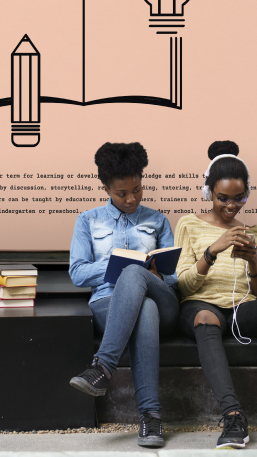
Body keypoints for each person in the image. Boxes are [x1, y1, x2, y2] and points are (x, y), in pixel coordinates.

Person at [174, 140, 257, 449]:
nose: (231, 206)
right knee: (205, 316)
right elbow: (183, 286)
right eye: (222, 198)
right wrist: (212, 251)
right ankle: (232, 415)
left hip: (242, 309)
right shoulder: (188, 225)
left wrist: (254, 262)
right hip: (201, 307)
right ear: (207, 193)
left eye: (239, 198)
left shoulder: (254, 233)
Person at [68, 142, 178, 449]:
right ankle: (151, 418)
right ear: (105, 187)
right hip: (109, 303)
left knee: (137, 280)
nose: (131, 199)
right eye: (121, 193)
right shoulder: (88, 221)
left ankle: (102, 367)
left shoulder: (158, 220)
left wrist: (151, 272)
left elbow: (175, 278)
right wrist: (118, 260)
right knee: (143, 309)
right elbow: (77, 273)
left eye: (137, 190)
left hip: (163, 301)